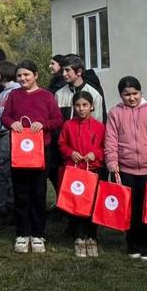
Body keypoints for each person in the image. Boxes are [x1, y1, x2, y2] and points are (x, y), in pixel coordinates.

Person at [0, 60, 63, 254]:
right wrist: (13, 123)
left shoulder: (46, 96)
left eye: (26, 75)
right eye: (19, 75)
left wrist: (43, 124)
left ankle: (37, 234)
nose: (22, 79)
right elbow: (5, 116)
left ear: (36, 75)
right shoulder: (13, 95)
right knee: (21, 193)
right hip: (19, 152)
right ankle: (22, 233)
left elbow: (57, 119)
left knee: (38, 192)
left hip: (41, 151)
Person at [104, 76, 147, 262]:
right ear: (120, 95)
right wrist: (112, 161)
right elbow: (111, 140)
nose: (131, 98)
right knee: (130, 208)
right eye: (127, 94)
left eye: (135, 94)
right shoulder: (115, 113)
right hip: (125, 169)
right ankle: (132, 241)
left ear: (141, 93)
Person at [58, 91, 105, 258]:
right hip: (75, 171)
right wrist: (71, 153)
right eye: (77, 105)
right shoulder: (68, 125)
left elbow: (103, 147)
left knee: (92, 205)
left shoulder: (99, 127)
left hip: (92, 171)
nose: (81, 108)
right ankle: (78, 236)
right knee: (76, 205)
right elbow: (62, 144)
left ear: (91, 106)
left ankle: (92, 236)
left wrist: (95, 154)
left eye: (85, 105)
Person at [52, 55, 104, 197]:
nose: (63, 74)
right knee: (68, 189)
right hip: (66, 154)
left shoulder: (94, 94)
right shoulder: (59, 94)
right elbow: (57, 125)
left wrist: (92, 153)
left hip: (88, 158)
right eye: (62, 70)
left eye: (67, 70)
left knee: (87, 191)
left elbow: (98, 126)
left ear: (79, 72)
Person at [0, 60, 19, 226]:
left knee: (4, 171)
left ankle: (3, 207)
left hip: (10, 137)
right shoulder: (2, 93)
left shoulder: (14, 91)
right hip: (0, 136)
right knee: (1, 170)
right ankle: (3, 206)